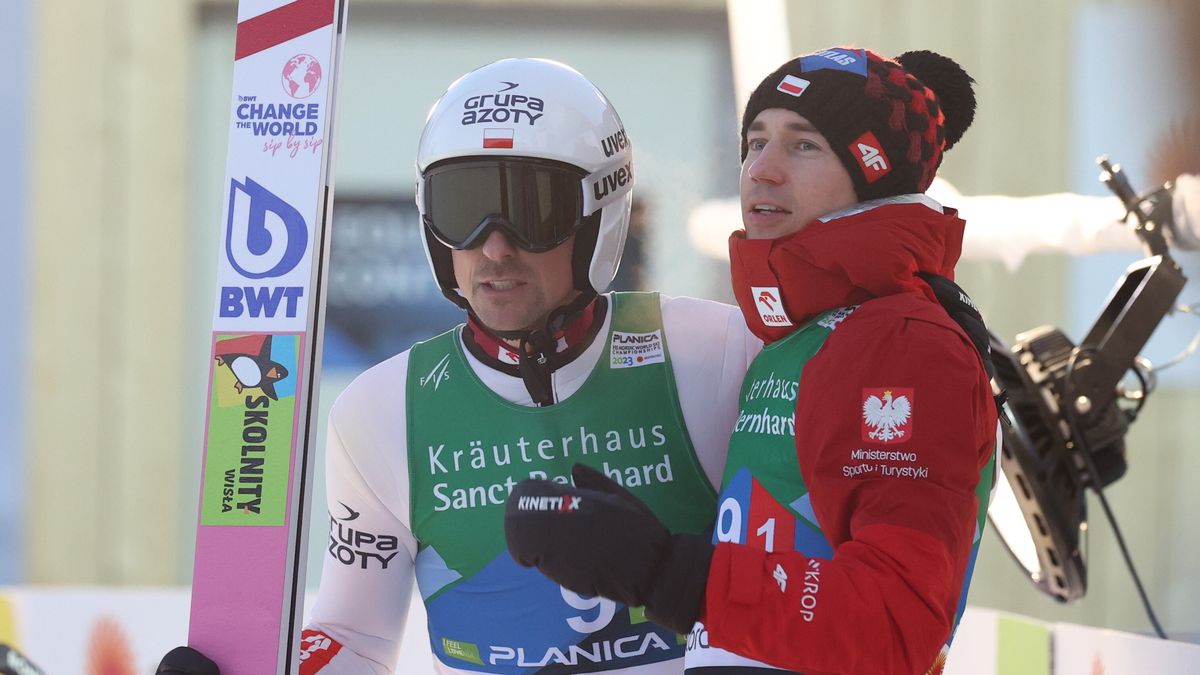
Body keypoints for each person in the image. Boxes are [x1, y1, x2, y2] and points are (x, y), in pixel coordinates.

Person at [160, 58, 759, 675]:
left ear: (597, 217)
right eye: (461, 208)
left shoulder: (715, 352)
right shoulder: (382, 412)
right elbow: (356, 638)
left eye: (532, 211)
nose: (494, 247)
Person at [505, 47, 998, 675]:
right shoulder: (804, 337)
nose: (761, 170)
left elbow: (894, 622)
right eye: (755, 141)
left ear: (876, 176)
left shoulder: (901, 341)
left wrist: (660, 569)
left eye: (804, 145)